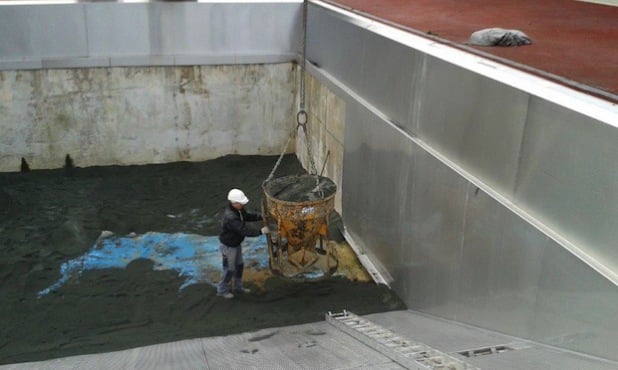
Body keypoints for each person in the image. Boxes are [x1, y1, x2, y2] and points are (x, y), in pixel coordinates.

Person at [217, 188, 269, 299]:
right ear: (234, 203)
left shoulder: (239, 210)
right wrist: (260, 231)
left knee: (239, 265)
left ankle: (238, 286)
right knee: (229, 268)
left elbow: (246, 216)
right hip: (228, 246)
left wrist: (260, 216)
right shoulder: (231, 217)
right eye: (241, 203)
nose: (242, 205)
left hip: (236, 244)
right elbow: (243, 230)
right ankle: (222, 289)